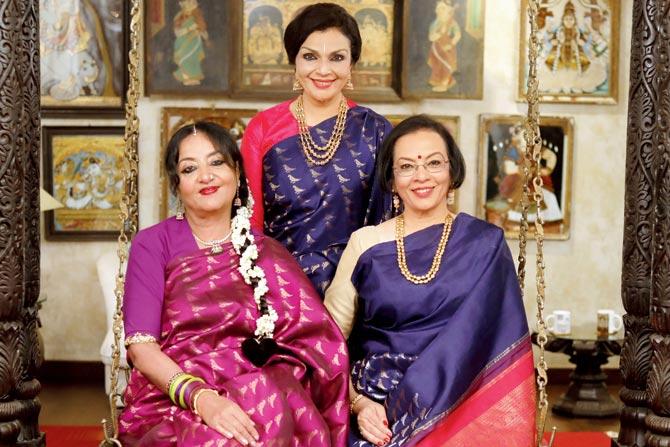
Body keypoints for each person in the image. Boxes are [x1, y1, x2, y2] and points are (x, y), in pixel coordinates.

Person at [119, 122, 349, 446]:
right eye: (189, 168)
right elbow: (141, 348)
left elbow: (315, 338)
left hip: (263, 389)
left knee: (269, 401)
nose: (206, 176)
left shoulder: (266, 251)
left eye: (216, 162)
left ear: (237, 173)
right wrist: (202, 398)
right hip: (174, 394)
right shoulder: (153, 244)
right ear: (177, 185)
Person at [325, 116, 536, 446]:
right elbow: (326, 343)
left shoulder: (485, 244)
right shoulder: (365, 244)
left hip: (463, 406)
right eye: (407, 166)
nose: (421, 176)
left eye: (434, 163)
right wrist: (360, 404)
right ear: (392, 179)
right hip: (379, 412)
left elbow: (503, 343)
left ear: (452, 171)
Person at [241, 3, 392, 298]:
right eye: (310, 56)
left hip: (358, 291)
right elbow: (250, 223)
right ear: (294, 62)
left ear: (351, 65)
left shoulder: (375, 130)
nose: (323, 70)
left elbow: (390, 224)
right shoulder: (263, 128)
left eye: (337, 58)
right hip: (278, 291)